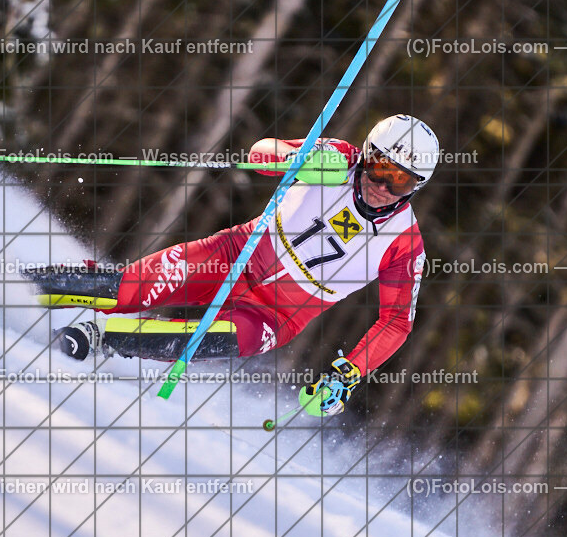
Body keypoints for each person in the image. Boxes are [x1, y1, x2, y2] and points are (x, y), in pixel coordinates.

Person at [30, 114, 439, 415]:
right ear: (367, 154)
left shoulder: (404, 244)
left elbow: (396, 322)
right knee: (130, 288)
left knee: (200, 339)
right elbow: (261, 153)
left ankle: (100, 337)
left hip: (277, 313)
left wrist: (349, 373)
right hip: (235, 255)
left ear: (416, 186)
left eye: (400, 180)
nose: (382, 186)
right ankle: (20, 286)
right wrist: (294, 158)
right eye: (380, 168)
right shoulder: (337, 159)